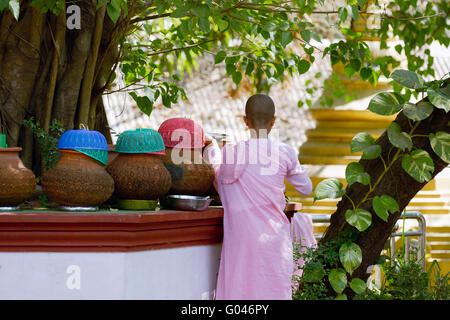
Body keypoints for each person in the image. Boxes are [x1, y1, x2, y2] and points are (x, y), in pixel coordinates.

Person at [203, 94, 313, 300]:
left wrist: (212, 150)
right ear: (273, 122)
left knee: (239, 293)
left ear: (245, 121)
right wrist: (288, 170)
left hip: (240, 240)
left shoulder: (231, 154)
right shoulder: (285, 153)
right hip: (274, 241)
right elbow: (306, 189)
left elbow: (218, 179)